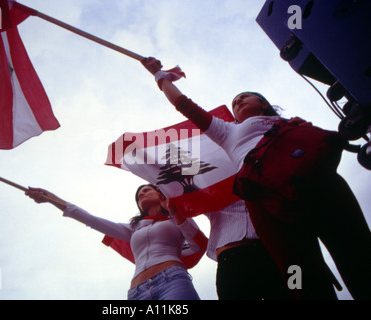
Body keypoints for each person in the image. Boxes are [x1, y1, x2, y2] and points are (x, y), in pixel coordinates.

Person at [141, 57, 371, 300]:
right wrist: (160, 76)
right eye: (234, 102)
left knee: (358, 252)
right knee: (301, 275)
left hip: (317, 181)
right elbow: (184, 105)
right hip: (267, 200)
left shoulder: (292, 123)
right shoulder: (227, 131)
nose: (238, 101)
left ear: (262, 103)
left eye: (244, 97)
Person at [25, 184, 206, 300]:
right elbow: (90, 219)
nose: (141, 194)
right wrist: (51, 198)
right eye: (138, 195)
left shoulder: (177, 216)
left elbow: (198, 245)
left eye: (146, 190)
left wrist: (175, 212)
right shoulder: (134, 228)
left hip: (172, 281)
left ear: (160, 193)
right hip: (137, 292)